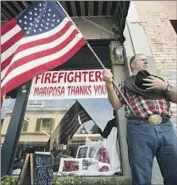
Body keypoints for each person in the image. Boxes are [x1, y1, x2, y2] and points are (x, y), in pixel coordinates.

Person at [102, 53, 177, 185]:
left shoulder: (159, 81)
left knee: (174, 171)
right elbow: (116, 105)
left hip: (166, 127)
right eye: (142, 60)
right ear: (133, 65)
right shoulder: (124, 84)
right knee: (141, 175)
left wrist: (165, 86)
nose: (146, 61)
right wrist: (108, 84)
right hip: (139, 128)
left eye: (146, 60)